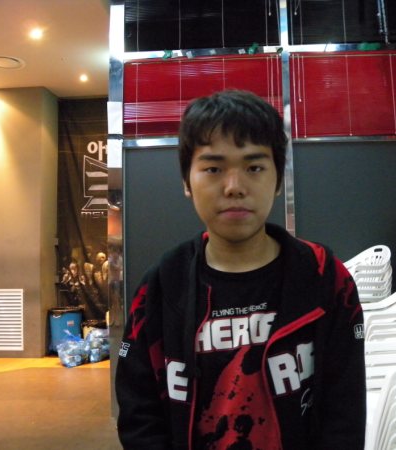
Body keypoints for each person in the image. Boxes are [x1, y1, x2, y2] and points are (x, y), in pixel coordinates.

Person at [115, 89, 366, 450]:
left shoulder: (325, 277)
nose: (234, 187)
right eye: (213, 169)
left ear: (277, 179)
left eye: (254, 167)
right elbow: (139, 414)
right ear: (187, 181)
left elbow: (345, 412)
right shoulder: (161, 286)